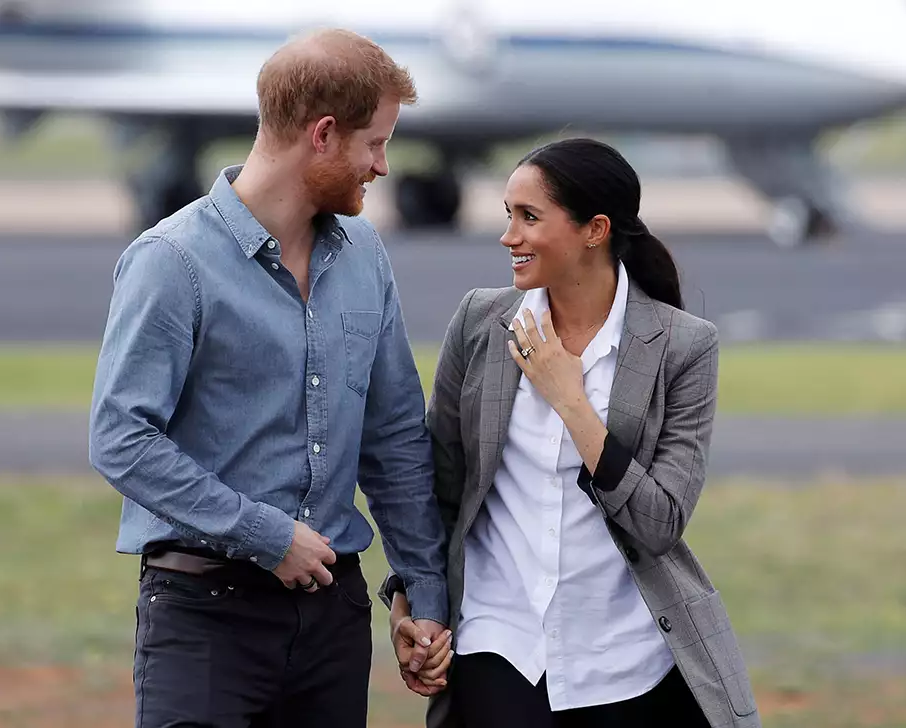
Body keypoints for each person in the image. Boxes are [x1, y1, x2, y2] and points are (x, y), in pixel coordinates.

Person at [87, 28, 451, 728]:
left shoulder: (367, 256)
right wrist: (265, 534)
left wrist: (425, 596)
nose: (382, 166)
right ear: (322, 134)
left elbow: (396, 439)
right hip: (205, 622)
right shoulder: (173, 261)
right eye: (374, 144)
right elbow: (120, 436)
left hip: (334, 621)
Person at [381, 137, 761, 727]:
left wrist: (571, 401)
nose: (509, 236)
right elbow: (441, 489)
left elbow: (660, 523)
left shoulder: (683, 348)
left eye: (529, 217)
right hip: (500, 646)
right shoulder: (481, 323)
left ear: (595, 229)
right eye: (509, 214)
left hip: (626, 661)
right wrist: (411, 602)